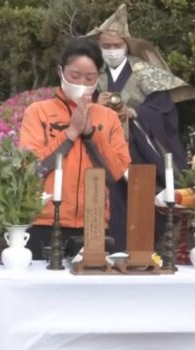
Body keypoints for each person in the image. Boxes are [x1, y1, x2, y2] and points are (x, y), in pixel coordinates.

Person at [87, 4, 194, 251]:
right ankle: (104, 250)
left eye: (117, 46)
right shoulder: (93, 72)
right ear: (99, 46)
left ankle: (144, 251)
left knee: (141, 198)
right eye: (106, 46)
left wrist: (134, 112)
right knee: (105, 199)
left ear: (127, 45)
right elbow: (78, 104)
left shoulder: (144, 71)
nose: (112, 51)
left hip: (139, 147)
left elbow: (164, 108)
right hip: (101, 149)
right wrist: (95, 104)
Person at [19, 38, 131, 259]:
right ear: (61, 72)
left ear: (98, 78)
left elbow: (117, 172)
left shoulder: (108, 117)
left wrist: (90, 134)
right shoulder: (38, 111)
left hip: (94, 223)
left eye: (89, 78)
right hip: (45, 220)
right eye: (74, 76)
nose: (81, 83)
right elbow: (31, 167)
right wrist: (70, 133)